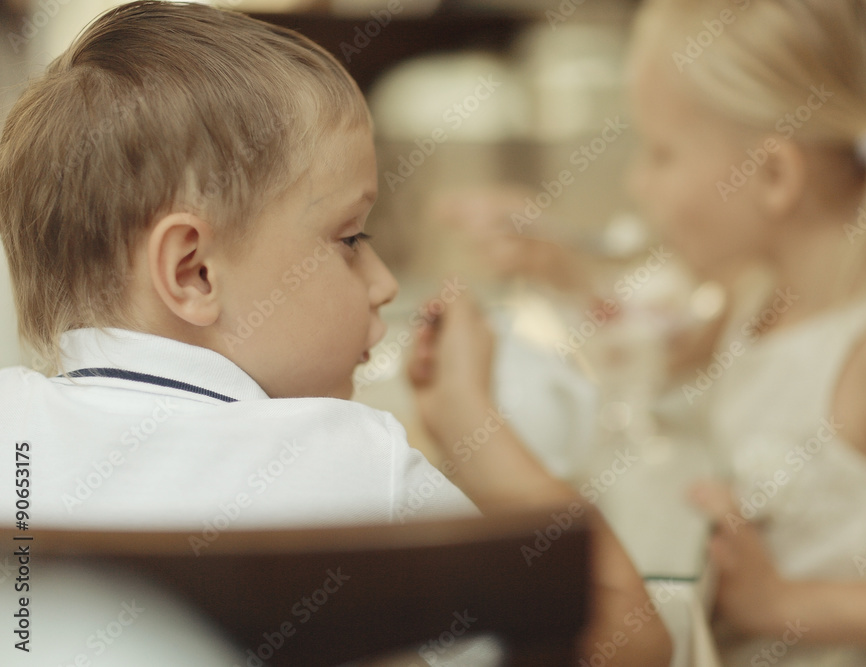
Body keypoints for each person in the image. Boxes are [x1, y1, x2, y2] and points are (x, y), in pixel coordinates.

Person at [0, 2, 672, 665]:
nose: (382, 282)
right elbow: (628, 639)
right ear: (194, 271)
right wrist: (473, 420)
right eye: (350, 238)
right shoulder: (355, 461)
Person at [618, 0, 866, 664]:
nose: (637, 183)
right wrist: (555, 263)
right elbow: (669, 353)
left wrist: (782, 605)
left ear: (773, 175)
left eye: (661, 153)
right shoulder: (757, 299)